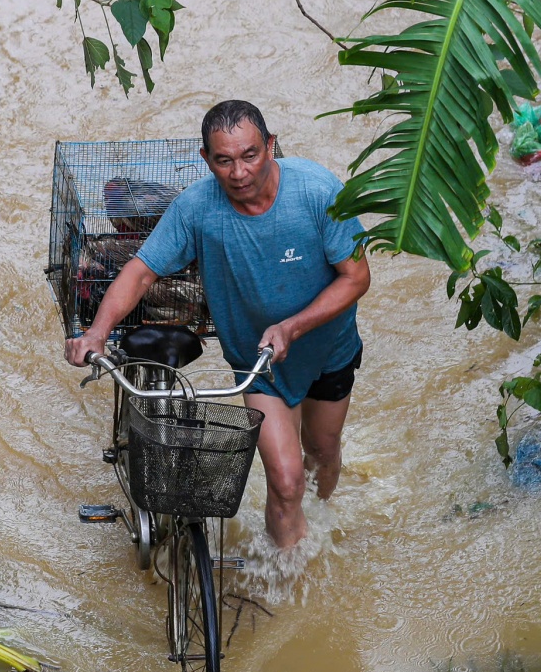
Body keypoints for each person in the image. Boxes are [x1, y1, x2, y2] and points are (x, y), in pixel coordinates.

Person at [65, 100, 370, 550]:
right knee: (286, 483)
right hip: (260, 363)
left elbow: (357, 277)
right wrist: (97, 332)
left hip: (330, 349)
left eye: (250, 155)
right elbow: (141, 271)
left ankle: (319, 529)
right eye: (224, 160)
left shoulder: (318, 192)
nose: (240, 172)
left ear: (270, 147)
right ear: (207, 160)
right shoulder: (195, 209)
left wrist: (293, 327)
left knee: (322, 453)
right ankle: (287, 588)